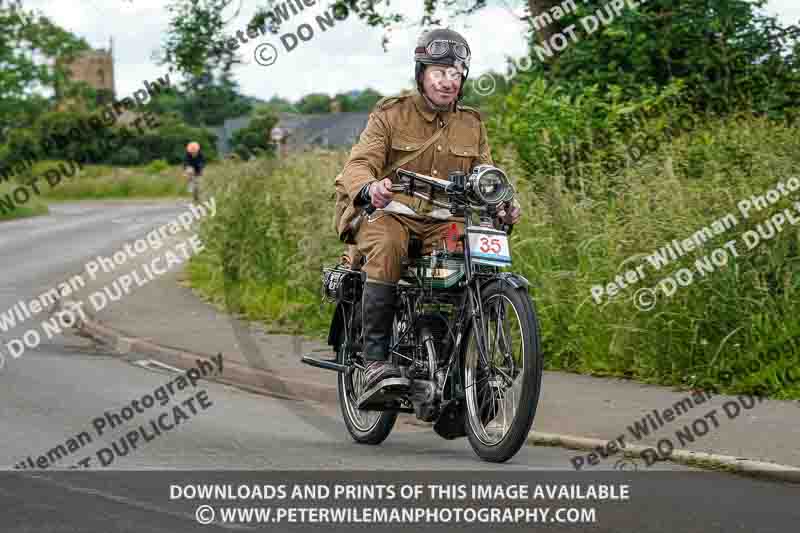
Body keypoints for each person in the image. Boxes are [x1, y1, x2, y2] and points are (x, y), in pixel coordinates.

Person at [336, 28, 522, 393]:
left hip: (443, 220)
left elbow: (486, 175)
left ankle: (455, 360)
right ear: (421, 73)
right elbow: (358, 164)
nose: (447, 81)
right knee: (388, 244)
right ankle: (375, 361)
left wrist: (502, 204)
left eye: (455, 73)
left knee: (475, 254)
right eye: (439, 72)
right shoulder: (391, 114)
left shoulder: (471, 123)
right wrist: (370, 187)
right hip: (388, 213)